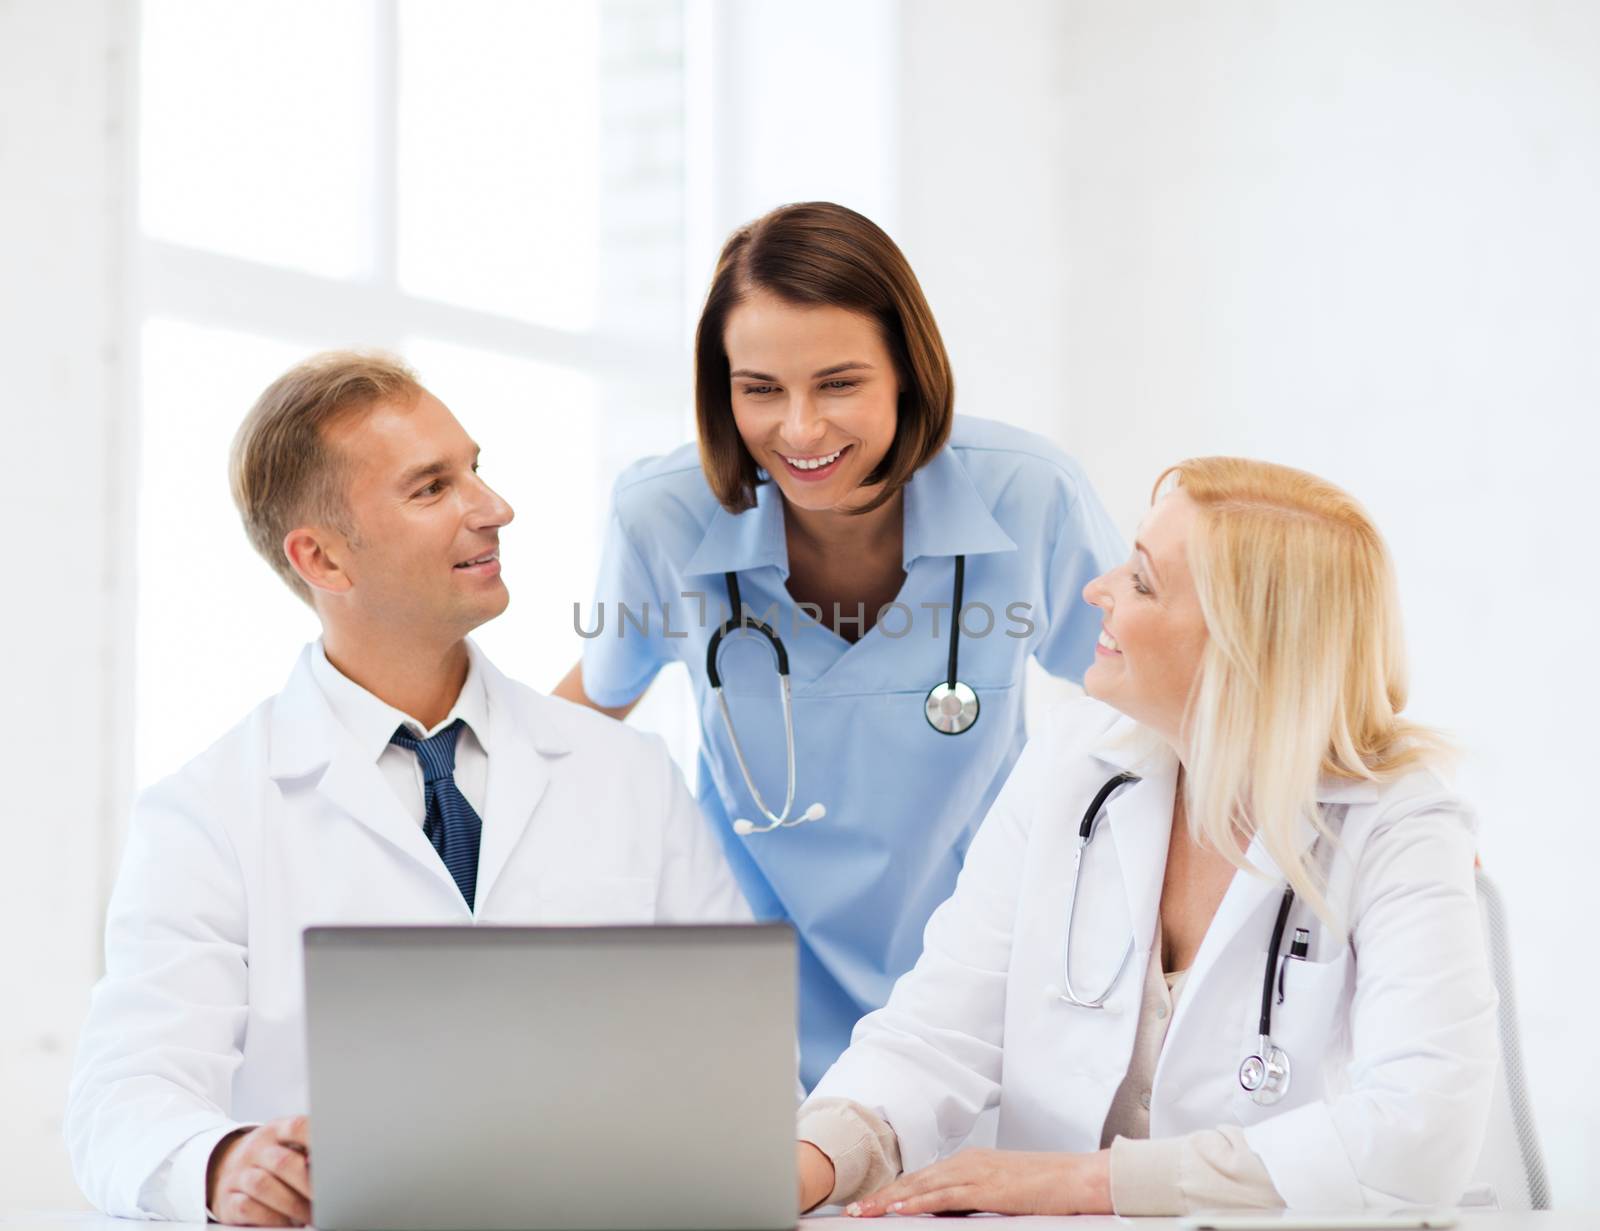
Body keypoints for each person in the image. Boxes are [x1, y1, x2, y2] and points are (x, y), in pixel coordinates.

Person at [65, 352, 750, 1226]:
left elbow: (743, 1059)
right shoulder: (206, 813)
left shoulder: (628, 774)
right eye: (432, 488)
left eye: (475, 468)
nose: (493, 509)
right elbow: (124, 1093)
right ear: (322, 558)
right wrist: (221, 1162)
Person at [792, 457, 1498, 1216]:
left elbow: (1417, 1132)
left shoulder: (1399, 823)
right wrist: (811, 1161)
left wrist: (1088, 1183)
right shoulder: (1074, 759)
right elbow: (935, 1035)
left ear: (1245, 648)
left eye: (1141, 580)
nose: (1098, 590)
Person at [554, 202, 1123, 1087]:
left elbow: (1155, 703)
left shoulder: (1028, 495)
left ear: (909, 370)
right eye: (760, 389)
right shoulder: (663, 515)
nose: (801, 430)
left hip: (978, 998)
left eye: (839, 382)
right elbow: (585, 720)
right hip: (740, 1007)